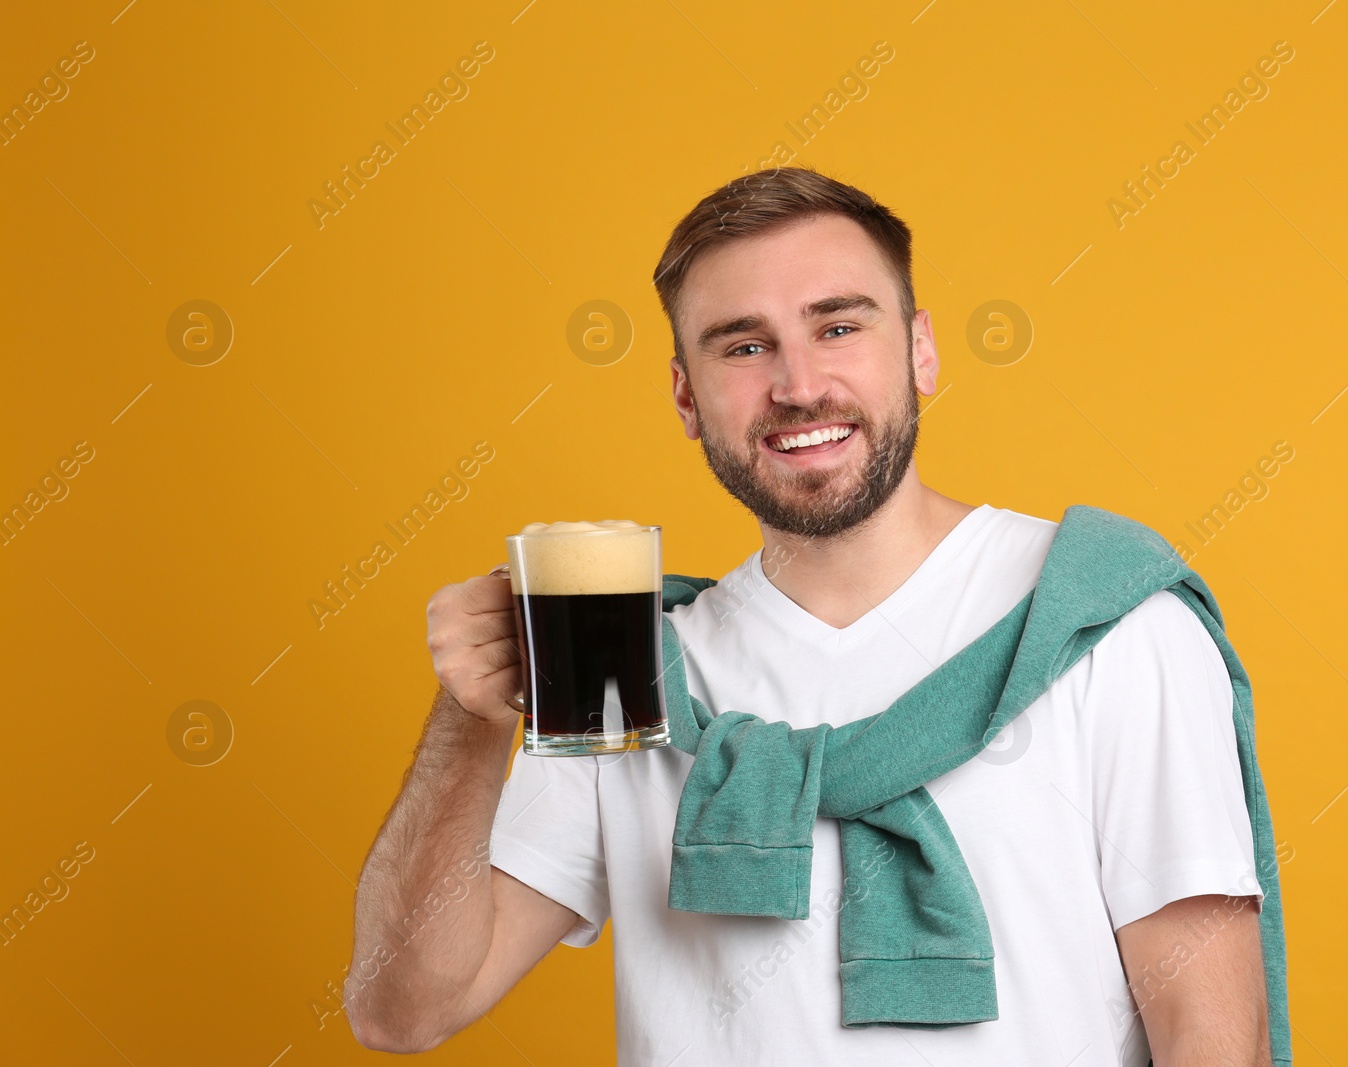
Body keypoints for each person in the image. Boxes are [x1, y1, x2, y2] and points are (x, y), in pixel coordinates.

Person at [346, 166, 1274, 1066]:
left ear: (921, 349)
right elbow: (403, 1008)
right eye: (742, 345)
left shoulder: (1106, 627)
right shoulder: (631, 666)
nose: (796, 384)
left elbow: (1209, 1036)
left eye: (837, 326)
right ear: (685, 396)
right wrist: (471, 725)